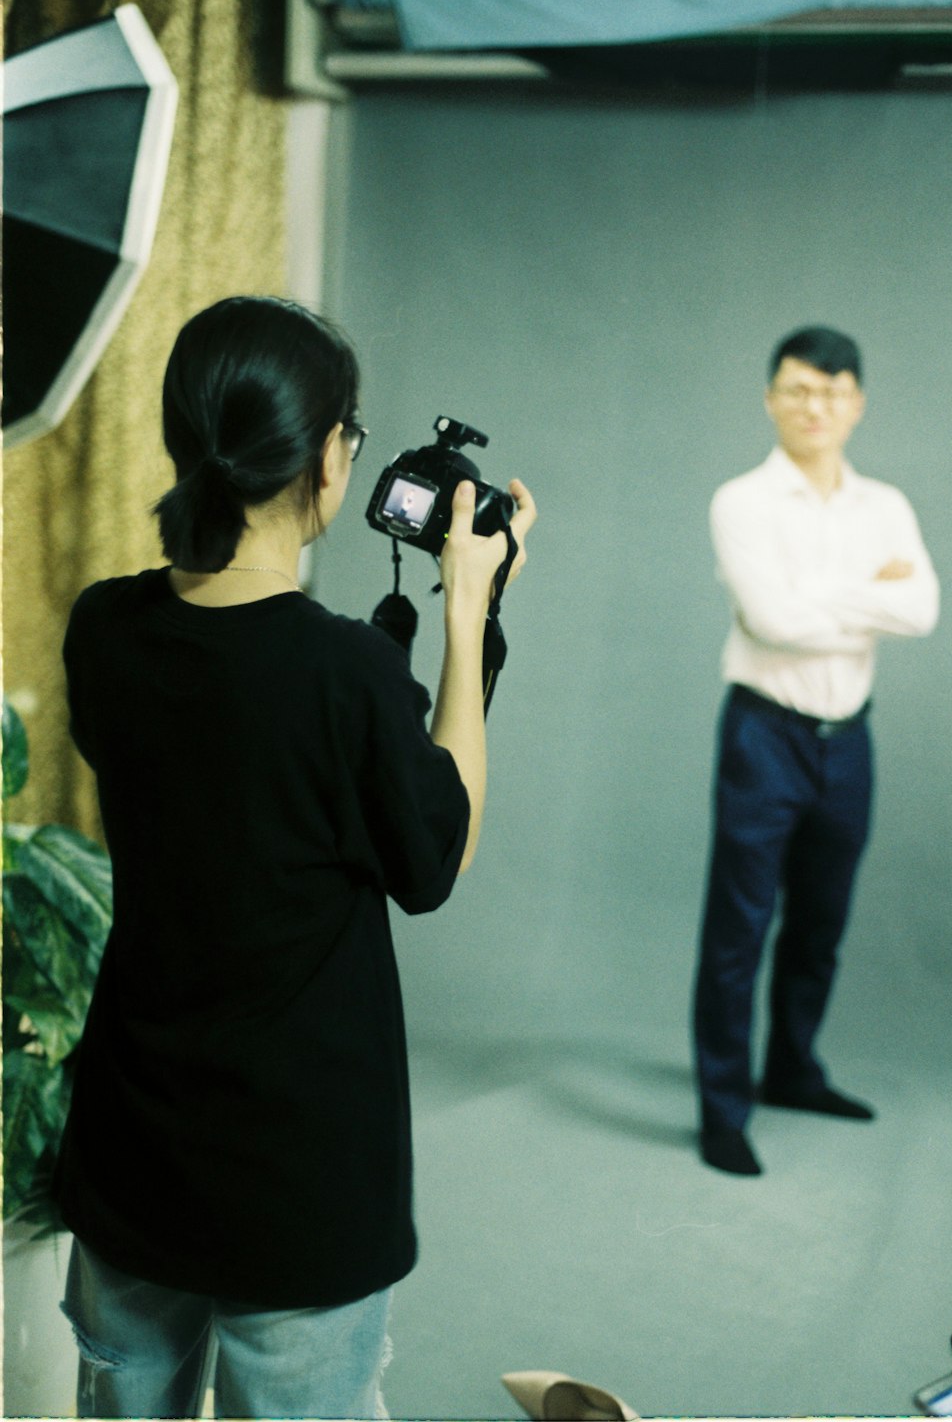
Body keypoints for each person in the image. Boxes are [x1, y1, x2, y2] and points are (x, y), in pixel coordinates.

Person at [53, 295, 537, 1418]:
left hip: (134, 1147)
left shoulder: (103, 628)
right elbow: (435, 852)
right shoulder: (346, 674)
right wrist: (468, 617)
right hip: (300, 1181)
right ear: (327, 461)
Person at [692, 325, 938, 1177]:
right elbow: (772, 622)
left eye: (832, 392)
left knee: (821, 922)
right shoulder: (740, 501)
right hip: (765, 733)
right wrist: (870, 595)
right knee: (740, 927)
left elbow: (925, 610)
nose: (814, 406)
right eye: (798, 389)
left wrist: (818, 595)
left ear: (857, 405)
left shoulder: (888, 507)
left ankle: (793, 1070)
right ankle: (723, 1108)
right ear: (771, 398)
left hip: (849, 740)